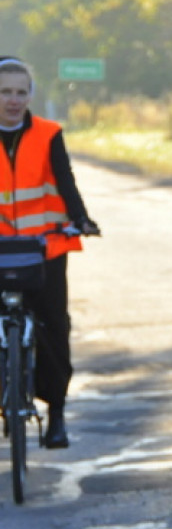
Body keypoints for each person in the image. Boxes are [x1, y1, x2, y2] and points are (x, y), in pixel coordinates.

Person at [0, 56, 100, 449]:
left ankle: (56, 413)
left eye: (20, 92)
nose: (13, 100)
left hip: (43, 247)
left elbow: (65, 179)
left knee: (54, 326)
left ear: (30, 95)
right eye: (5, 91)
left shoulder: (47, 133)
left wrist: (81, 218)